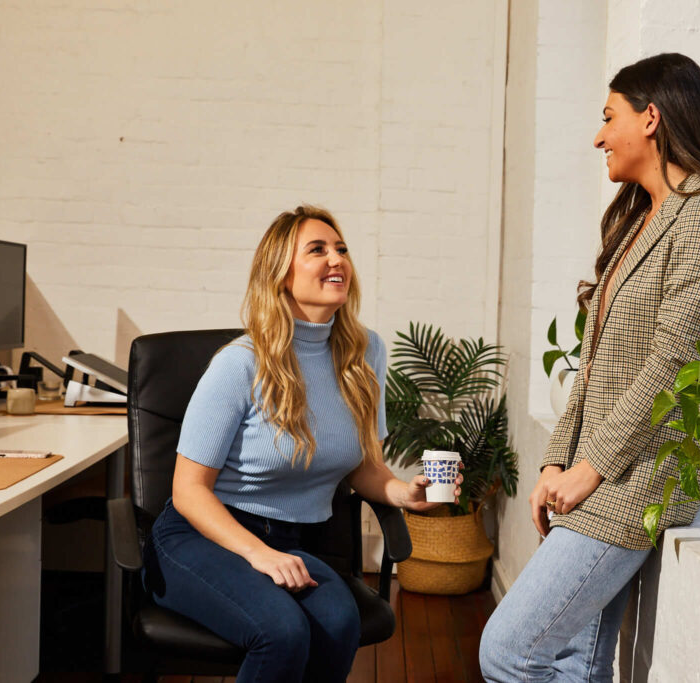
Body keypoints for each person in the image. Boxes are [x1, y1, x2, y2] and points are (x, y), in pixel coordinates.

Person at [479, 53, 700, 682]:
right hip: (604, 474)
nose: (597, 135)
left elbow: (673, 363)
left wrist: (590, 468)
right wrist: (556, 460)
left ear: (651, 118)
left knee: (508, 651)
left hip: (642, 481)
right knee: (576, 666)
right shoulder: (643, 220)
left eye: (607, 117)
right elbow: (594, 367)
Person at [142, 205, 461, 683]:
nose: (337, 259)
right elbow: (189, 491)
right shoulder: (240, 364)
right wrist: (258, 554)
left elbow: (362, 465)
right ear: (280, 274)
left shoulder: (365, 352)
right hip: (201, 538)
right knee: (281, 632)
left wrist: (401, 493)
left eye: (342, 249)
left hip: (290, 542)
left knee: (339, 622)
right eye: (317, 250)